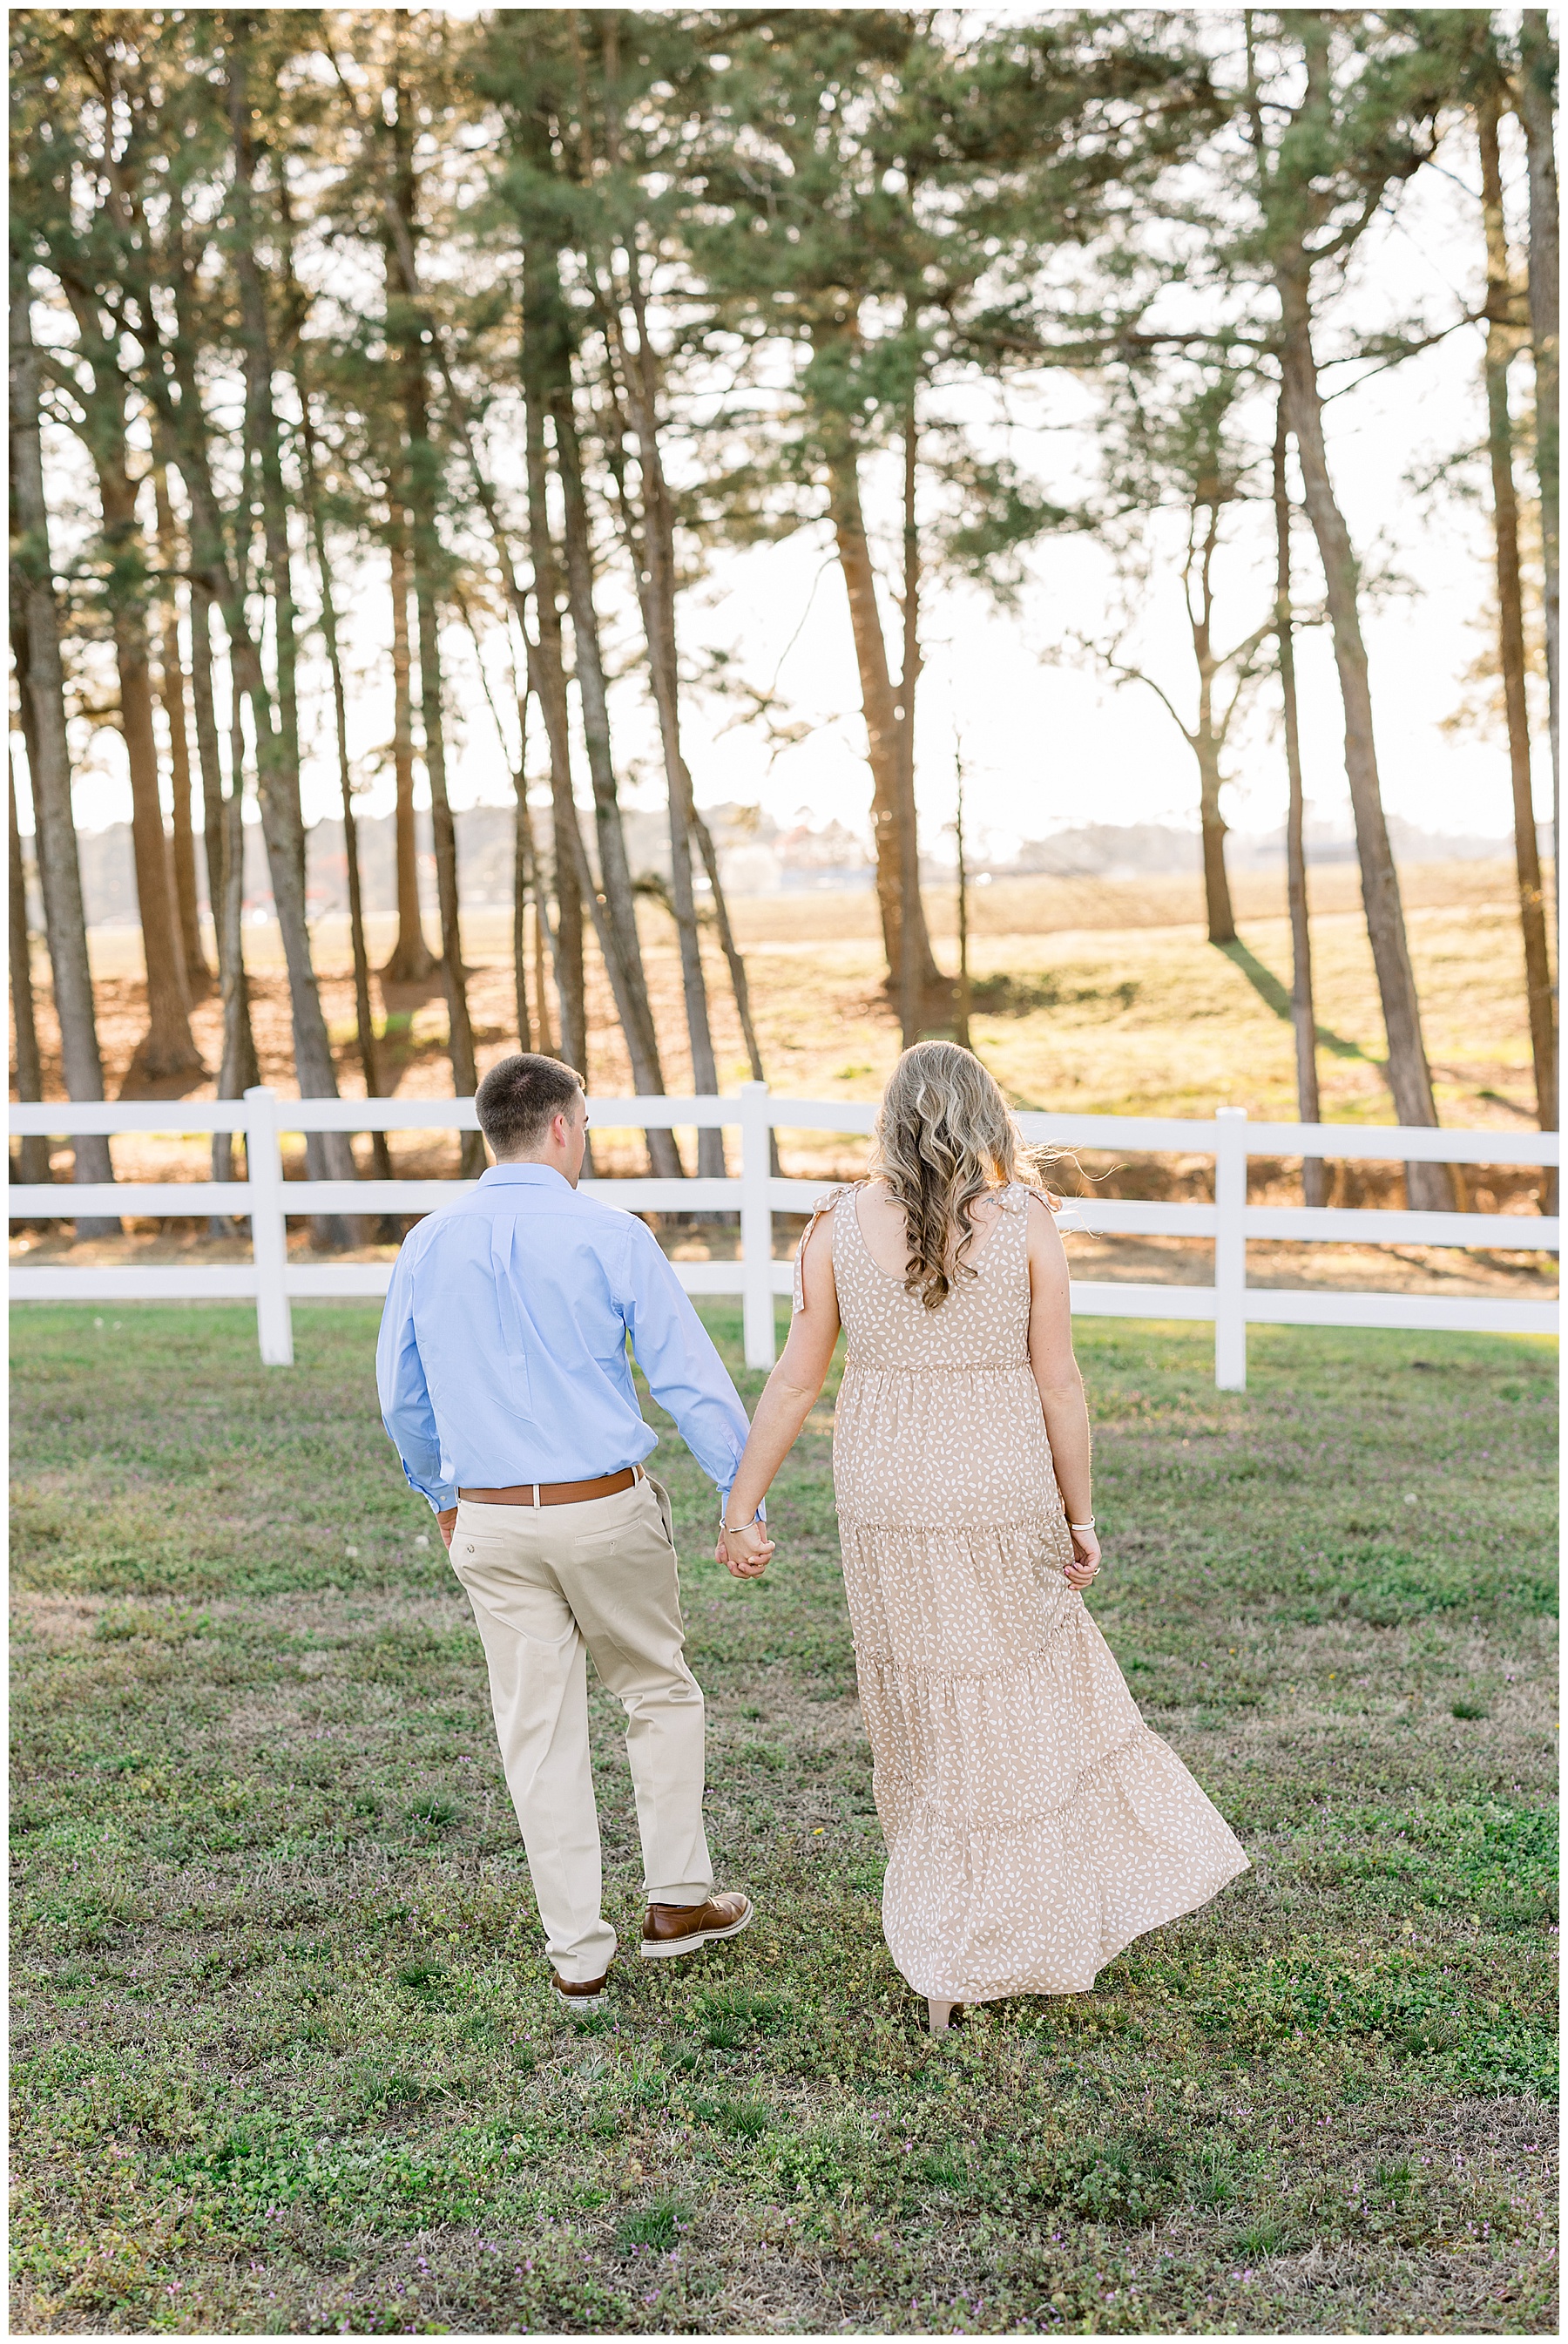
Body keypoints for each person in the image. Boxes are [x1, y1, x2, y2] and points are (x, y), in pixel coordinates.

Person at [716, 1040, 1247, 2033]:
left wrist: (742, 1504)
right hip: (998, 1486)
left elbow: (795, 1379)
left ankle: (963, 1934)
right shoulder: (1026, 1224)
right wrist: (1081, 1515)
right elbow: (1061, 1383)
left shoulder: (831, 1224)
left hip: (884, 1492)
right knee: (1011, 1694)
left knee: (932, 1696)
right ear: (988, 1118)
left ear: (891, 1121)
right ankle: (983, 1932)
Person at [377, 1053, 772, 2013]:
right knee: (657, 1688)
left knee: (537, 1730)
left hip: (492, 1521)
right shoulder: (611, 1234)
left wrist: (439, 1492)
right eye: (585, 1122)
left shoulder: (429, 1241)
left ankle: (577, 1955)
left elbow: (403, 1392)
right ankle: (677, 1897)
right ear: (560, 1126)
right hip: (606, 1510)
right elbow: (686, 1374)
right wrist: (740, 1499)